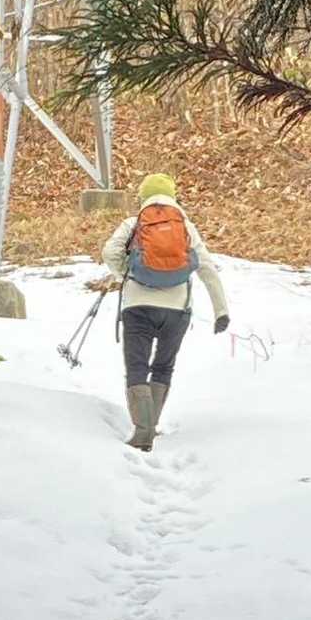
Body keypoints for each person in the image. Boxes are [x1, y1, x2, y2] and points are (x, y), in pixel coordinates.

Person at [96, 174, 229, 451]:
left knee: (137, 367)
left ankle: (142, 431)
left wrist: (126, 273)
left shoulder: (134, 224)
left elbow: (110, 252)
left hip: (138, 306)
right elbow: (206, 267)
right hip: (177, 309)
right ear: (173, 196)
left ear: (143, 197)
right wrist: (221, 311)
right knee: (163, 366)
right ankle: (151, 426)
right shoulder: (186, 227)